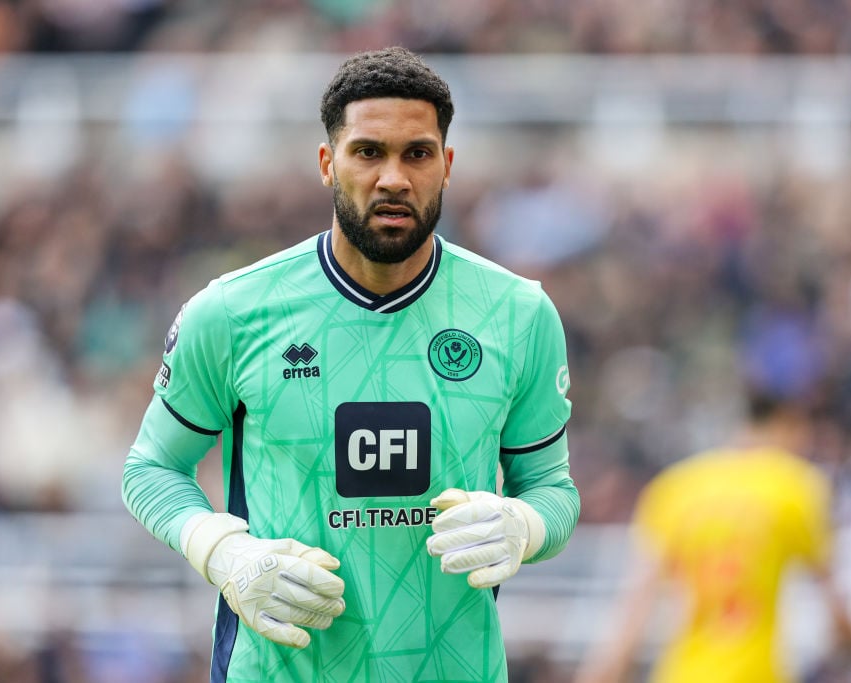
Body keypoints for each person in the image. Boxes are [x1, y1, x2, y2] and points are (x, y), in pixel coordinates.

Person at [122, 46, 580, 683]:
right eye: (368, 152)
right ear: (326, 164)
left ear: (446, 166)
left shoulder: (519, 314)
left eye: (416, 153)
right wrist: (224, 553)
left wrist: (525, 525)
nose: (393, 177)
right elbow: (151, 470)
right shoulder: (232, 311)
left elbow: (553, 490)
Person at [573, 389, 851, 683]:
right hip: (758, 674)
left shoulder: (674, 490)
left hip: (682, 673)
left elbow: (632, 616)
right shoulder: (796, 488)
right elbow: (837, 613)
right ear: (786, 425)